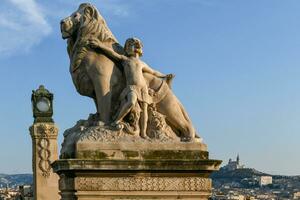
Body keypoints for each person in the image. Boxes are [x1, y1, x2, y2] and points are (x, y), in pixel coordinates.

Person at [88, 37, 173, 138]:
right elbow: (112, 54)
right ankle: (116, 120)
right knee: (131, 101)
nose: (129, 48)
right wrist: (100, 45)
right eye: (128, 46)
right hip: (132, 87)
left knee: (144, 111)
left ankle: (143, 133)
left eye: (131, 46)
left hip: (143, 88)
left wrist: (164, 76)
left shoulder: (142, 63)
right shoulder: (125, 60)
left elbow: (153, 72)